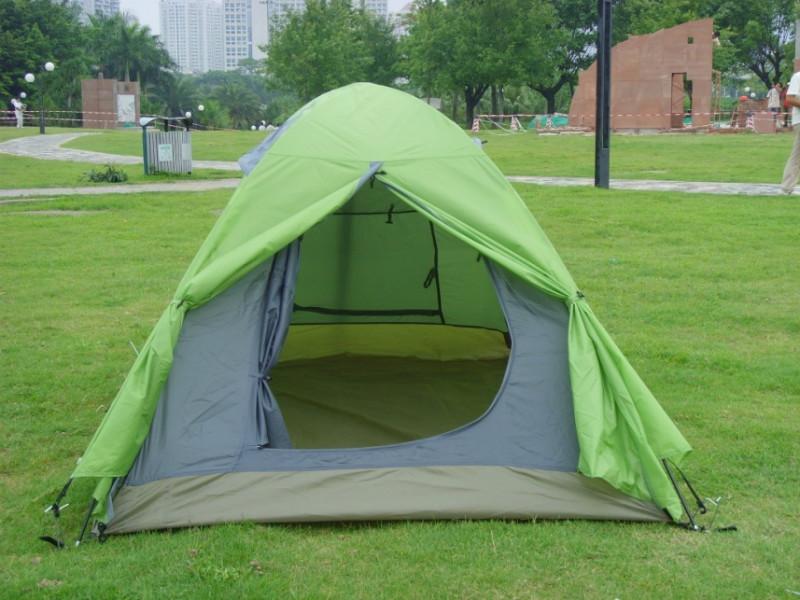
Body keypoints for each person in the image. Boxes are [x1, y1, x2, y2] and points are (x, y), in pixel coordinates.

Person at [780, 72, 800, 194]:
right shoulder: (798, 77)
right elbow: (790, 98)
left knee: (797, 154)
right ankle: (787, 186)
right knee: (797, 155)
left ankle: (787, 186)